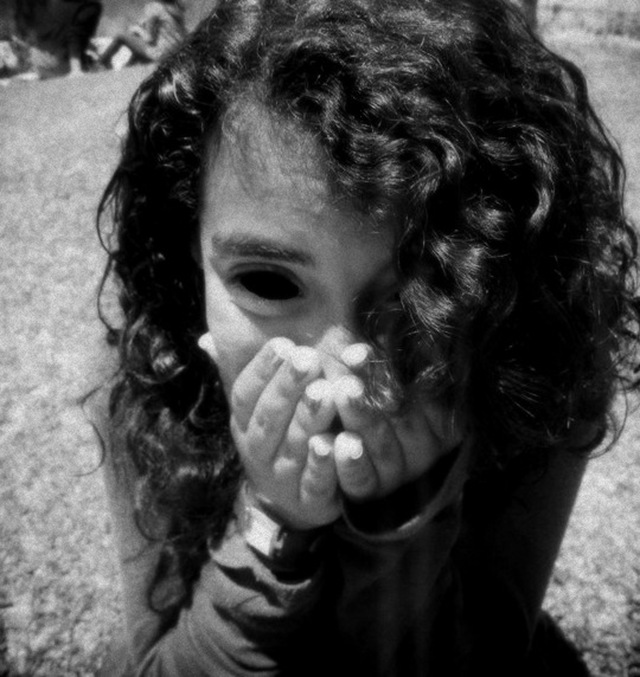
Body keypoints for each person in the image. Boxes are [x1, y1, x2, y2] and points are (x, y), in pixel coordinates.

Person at [93, 0, 639, 674]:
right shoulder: (149, 374)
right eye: (267, 282)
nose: (340, 371)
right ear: (188, 252)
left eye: (424, 292)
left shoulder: (543, 364)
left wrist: (403, 519)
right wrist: (271, 525)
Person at [16, 0, 102, 77]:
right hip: (61, 63)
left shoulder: (52, 4)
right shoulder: (90, 6)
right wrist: (76, 69)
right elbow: (75, 35)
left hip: (39, 60)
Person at [99, 0, 186, 69]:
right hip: (179, 51)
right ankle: (134, 66)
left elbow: (149, 39)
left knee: (121, 37)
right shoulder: (175, 8)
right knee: (139, 47)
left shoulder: (154, 7)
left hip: (162, 55)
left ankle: (100, 64)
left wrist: (137, 30)